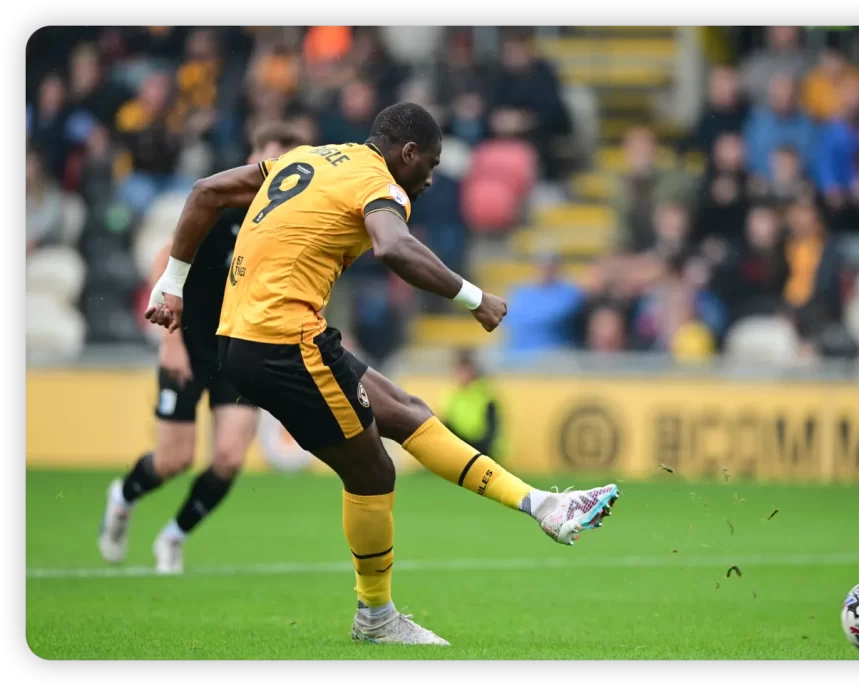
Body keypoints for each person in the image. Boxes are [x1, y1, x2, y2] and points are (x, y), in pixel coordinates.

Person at [143, 103, 621, 646]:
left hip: (252, 337)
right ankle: (375, 617)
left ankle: (545, 506)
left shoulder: (311, 158)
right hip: (284, 343)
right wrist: (474, 298)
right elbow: (393, 247)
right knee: (373, 474)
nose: (431, 178)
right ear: (407, 154)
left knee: (406, 412)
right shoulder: (378, 183)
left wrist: (171, 282)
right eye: (431, 164)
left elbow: (206, 189)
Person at [98, 122, 308, 574]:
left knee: (230, 458)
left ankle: (174, 536)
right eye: (274, 156)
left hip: (239, 350)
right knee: (174, 459)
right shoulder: (223, 202)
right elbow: (165, 259)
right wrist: (169, 345)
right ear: (254, 157)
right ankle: (123, 497)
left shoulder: (291, 221)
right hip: (188, 342)